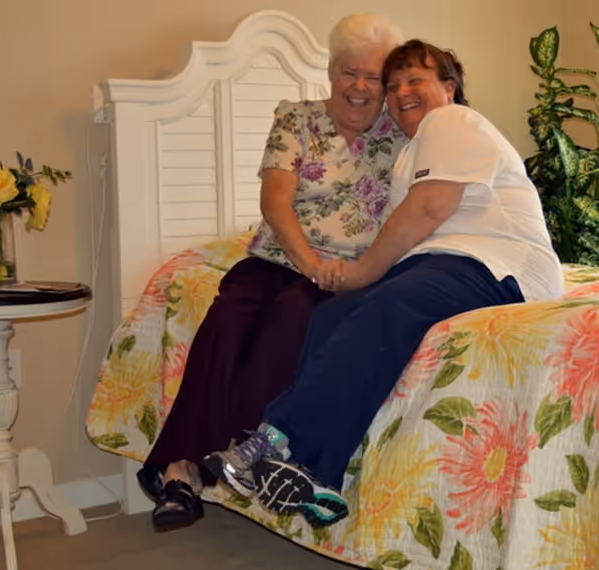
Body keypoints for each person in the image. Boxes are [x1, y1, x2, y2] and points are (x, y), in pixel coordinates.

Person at [203, 39, 565, 529]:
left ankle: (273, 439)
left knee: (390, 305)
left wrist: (360, 274)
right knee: (330, 314)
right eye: (392, 86)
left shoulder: (453, 120)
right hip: (443, 265)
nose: (400, 93)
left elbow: (429, 209)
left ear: (450, 88)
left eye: (416, 79)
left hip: (499, 264)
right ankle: (317, 475)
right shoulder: (410, 154)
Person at [139, 13, 407, 532]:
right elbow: (275, 198)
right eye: (350, 72)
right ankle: (181, 470)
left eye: (373, 76)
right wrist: (306, 262)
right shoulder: (297, 118)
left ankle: (238, 457)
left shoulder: (399, 134)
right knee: (226, 319)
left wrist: (339, 274)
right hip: (279, 259)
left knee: (291, 322)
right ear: (331, 71)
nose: (359, 86)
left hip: (345, 275)